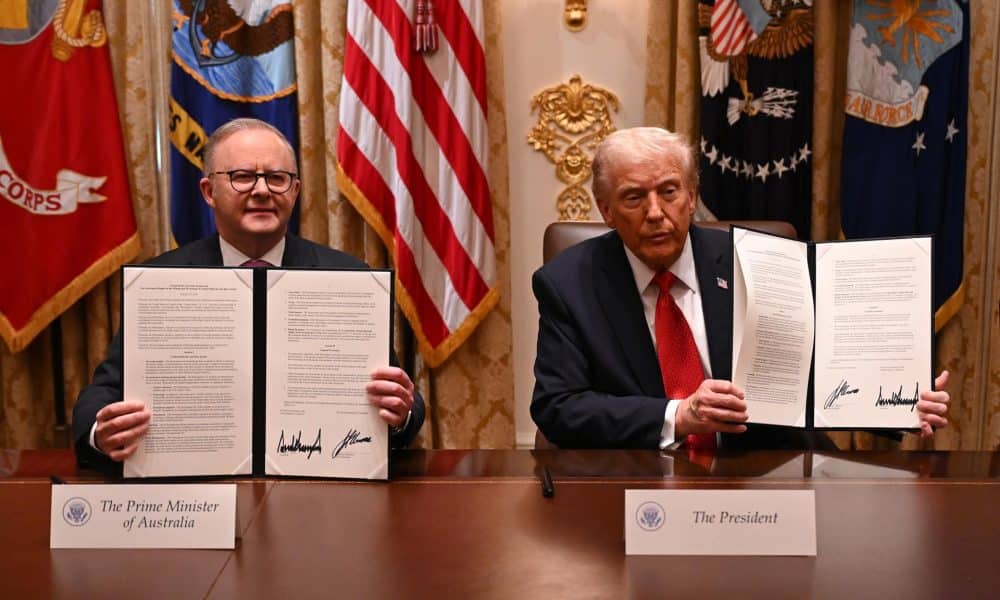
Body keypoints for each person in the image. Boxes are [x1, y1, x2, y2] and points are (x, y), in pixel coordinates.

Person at [531, 126, 950, 449]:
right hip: (640, 478)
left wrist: (898, 401)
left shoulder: (763, 261)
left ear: (692, 197)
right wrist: (678, 415)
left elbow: (824, 373)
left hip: (763, 467)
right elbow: (558, 406)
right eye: (634, 197)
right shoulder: (569, 284)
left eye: (669, 191)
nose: (656, 213)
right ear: (605, 210)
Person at [73, 118, 424, 468]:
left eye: (276, 178)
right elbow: (103, 393)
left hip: (319, 488)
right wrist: (101, 433)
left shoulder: (349, 279)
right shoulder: (158, 281)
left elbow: (397, 398)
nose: (261, 190)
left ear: (295, 191)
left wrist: (402, 412)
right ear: (209, 192)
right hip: (195, 493)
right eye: (242, 177)